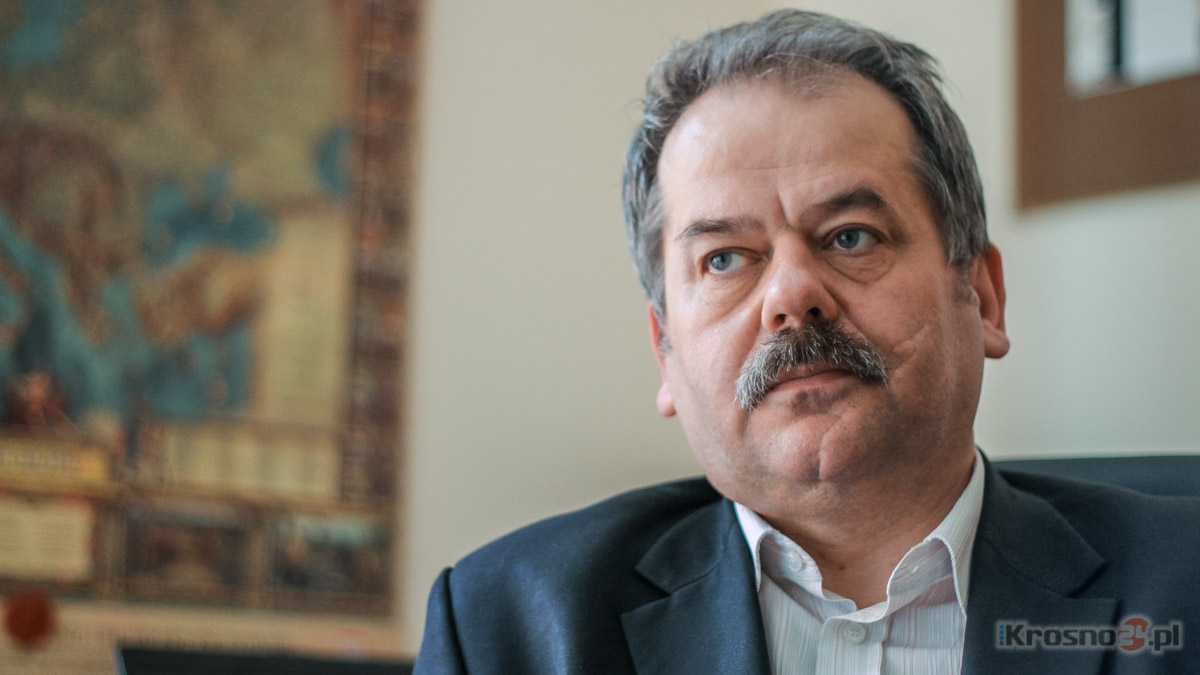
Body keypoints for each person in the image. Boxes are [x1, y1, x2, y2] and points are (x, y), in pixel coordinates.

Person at [413, 10, 1199, 674]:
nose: (792, 295)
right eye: (725, 259)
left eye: (851, 235)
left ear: (984, 297)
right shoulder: (503, 630)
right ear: (665, 351)